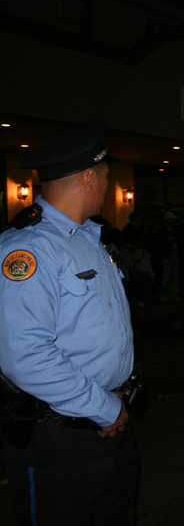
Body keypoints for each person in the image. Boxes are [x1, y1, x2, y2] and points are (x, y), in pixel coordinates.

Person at [0, 120, 136, 525]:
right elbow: (24, 355)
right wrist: (103, 407)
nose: (110, 184)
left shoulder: (86, 240)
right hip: (60, 435)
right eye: (107, 175)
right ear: (89, 177)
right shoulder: (29, 250)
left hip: (109, 420)